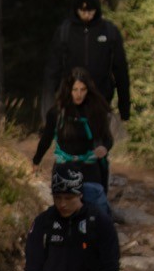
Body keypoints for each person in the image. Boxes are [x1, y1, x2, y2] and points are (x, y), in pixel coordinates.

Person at [42, 0, 131, 122]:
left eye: (90, 10)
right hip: (70, 106)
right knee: (72, 135)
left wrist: (124, 108)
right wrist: (48, 112)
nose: (86, 15)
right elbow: (51, 73)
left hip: (101, 104)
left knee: (100, 136)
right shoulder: (65, 32)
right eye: (82, 10)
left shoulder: (109, 32)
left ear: (97, 9)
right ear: (76, 9)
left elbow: (121, 72)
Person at [33, 67, 113, 215]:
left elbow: (108, 139)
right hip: (64, 169)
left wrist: (104, 148)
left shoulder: (96, 111)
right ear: (68, 90)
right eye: (75, 90)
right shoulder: (57, 113)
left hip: (90, 168)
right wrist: (36, 161)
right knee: (66, 213)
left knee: (96, 214)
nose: (79, 94)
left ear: (88, 90)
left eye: (83, 90)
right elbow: (46, 139)